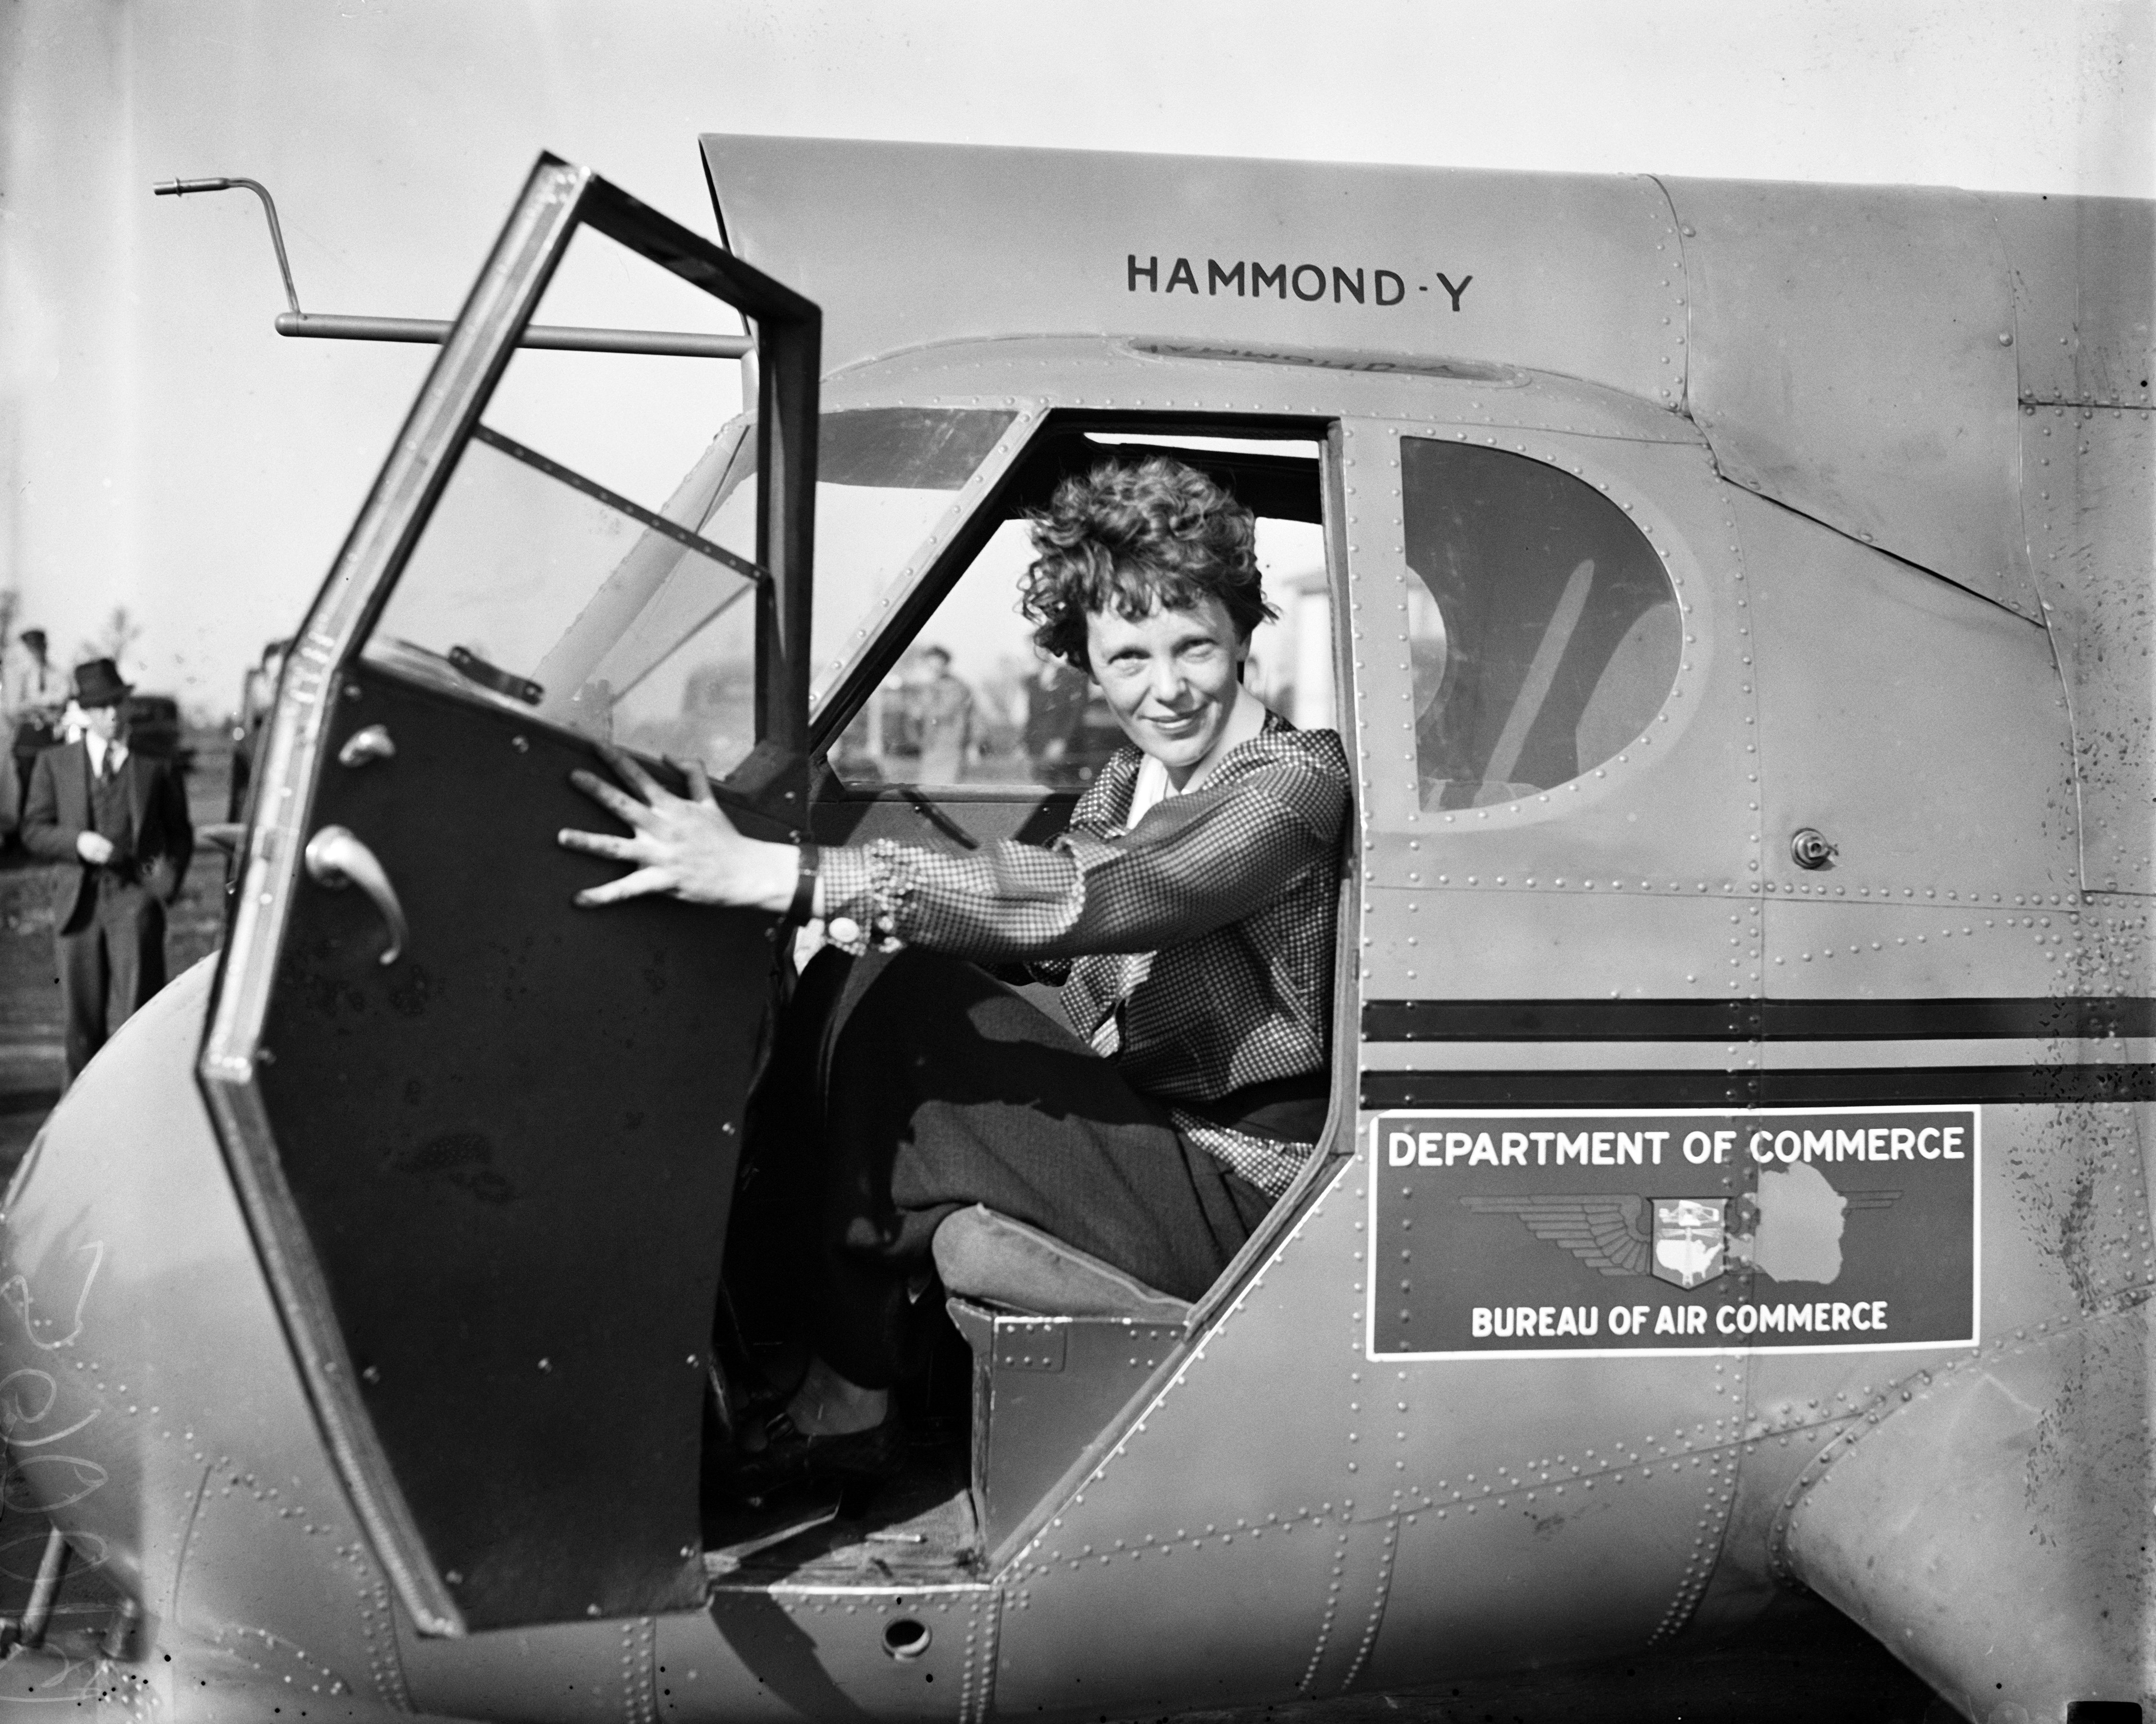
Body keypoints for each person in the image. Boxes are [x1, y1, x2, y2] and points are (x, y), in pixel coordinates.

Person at [558, 457, 1349, 1487]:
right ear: (1087, 662)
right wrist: (861, 929)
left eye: (1194, 644)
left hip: (1244, 1192)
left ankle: (849, 1401)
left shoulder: (1291, 782)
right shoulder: (1127, 781)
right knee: (865, 975)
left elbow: (1096, 897)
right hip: (1155, 1131)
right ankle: (785, 1350)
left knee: (909, 1005)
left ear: (1243, 633)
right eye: (1128, 657)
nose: (1168, 686)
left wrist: (797, 874)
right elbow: (1064, 966)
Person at [20, 658, 194, 1084]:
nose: (112, 714)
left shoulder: (153, 766)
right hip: (78, 907)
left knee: (140, 1022)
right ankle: (77, 1133)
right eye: (100, 707)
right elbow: (33, 830)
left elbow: (179, 834)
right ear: (84, 712)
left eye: (117, 703)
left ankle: (140, 1118)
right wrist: (77, 842)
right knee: (81, 1031)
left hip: (134, 902)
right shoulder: (55, 764)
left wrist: (161, 888)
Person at [6, 630, 69, 817]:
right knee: (26, 787)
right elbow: (15, 708)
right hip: (27, 738)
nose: (36, 652)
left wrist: (33, 704)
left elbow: (62, 703)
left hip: (50, 738)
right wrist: (46, 705)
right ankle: (24, 832)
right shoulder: (21, 676)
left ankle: (44, 830)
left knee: (49, 787)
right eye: (31, 648)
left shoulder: (58, 674)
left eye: (39, 647)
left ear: (45, 647)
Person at [908, 645, 974, 783]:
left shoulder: (957, 687)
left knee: (947, 792)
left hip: (950, 747)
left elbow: (944, 712)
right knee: (928, 791)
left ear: (945, 664)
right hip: (930, 746)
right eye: (930, 665)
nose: (934, 669)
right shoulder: (928, 687)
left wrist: (922, 709)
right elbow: (914, 718)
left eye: (937, 665)